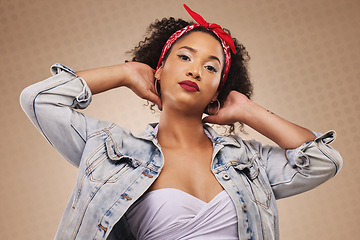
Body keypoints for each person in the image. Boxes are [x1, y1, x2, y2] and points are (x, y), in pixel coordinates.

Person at [20, 4, 342, 240]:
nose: (195, 71)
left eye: (211, 67)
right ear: (158, 69)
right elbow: (40, 100)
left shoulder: (247, 161)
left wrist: (246, 110)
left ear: (219, 87)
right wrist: (124, 72)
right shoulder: (111, 152)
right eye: (184, 57)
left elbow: (321, 161)